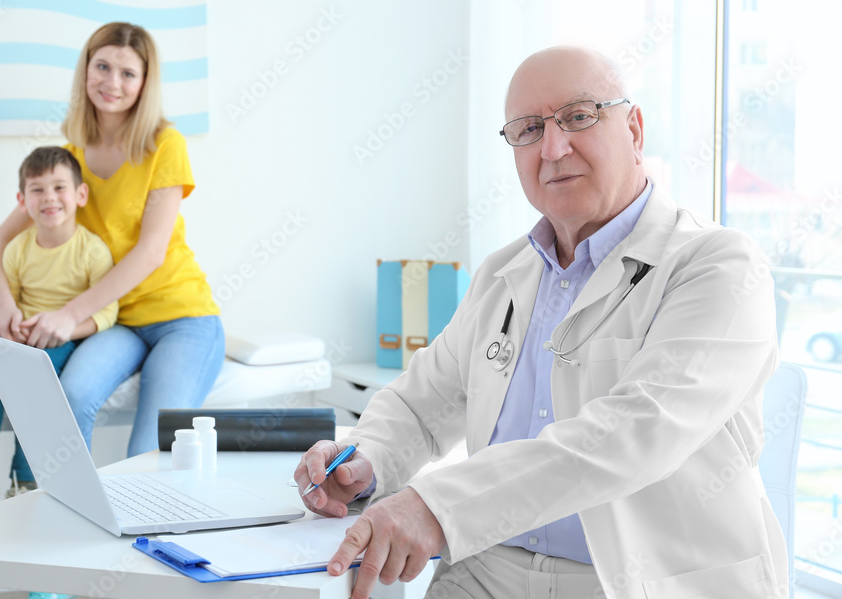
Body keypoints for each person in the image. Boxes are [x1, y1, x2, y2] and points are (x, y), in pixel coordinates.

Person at [296, 46, 787, 599]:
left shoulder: (719, 265)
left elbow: (633, 434)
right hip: (487, 573)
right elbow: (421, 403)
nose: (554, 148)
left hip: (635, 582)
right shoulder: (504, 273)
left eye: (579, 117)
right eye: (529, 129)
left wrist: (439, 507)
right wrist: (367, 459)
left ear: (634, 128)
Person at [0, 22, 224, 458]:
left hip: (183, 318)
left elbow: (151, 253)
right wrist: (4, 307)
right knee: (70, 397)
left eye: (128, 73)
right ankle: (73, 516)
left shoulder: (165, 145)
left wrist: (68, 314)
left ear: (145, 83)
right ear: (85, 71)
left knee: (148, 451)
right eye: (102, 67)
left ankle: (146, 526)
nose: (112, 82)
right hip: (119, 321)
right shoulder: (69, 161)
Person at [0, 147, 117, 512]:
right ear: (22, 200)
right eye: (37, 189)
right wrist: (11, 325)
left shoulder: (92, 251)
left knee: (37, 379)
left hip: (67, 340)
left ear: (80, 195)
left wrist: (66, 331)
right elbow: (9, 304)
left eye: (59, 187)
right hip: (24, 339)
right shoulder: (16, 250)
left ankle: (26, 481)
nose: (49, 197)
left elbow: (107, 313)